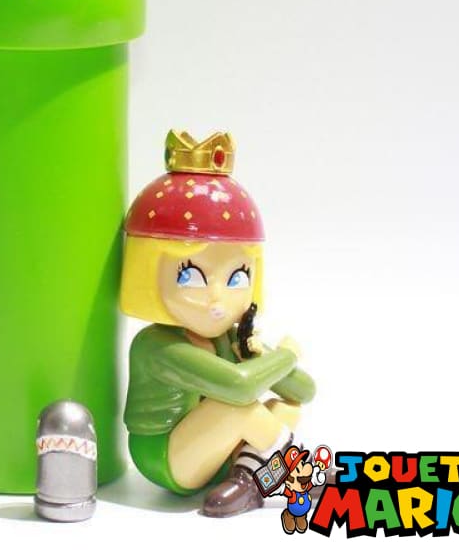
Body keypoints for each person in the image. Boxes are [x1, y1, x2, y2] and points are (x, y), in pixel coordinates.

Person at [120, 130, 315, 517]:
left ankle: (247, 481)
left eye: (237, 277)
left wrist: (259, 353)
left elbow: (304, 391)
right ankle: (300, 473)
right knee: (237, 407)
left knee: (284, 407)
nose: (217, 300)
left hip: (213, 453)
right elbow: (239, 387)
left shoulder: (229, 336)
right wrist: (286, 355)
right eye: (190, 275)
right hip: (166, 457)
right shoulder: (158, 345)